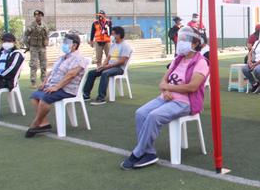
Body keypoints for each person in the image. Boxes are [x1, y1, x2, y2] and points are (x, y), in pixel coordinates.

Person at [120, 27, 209, 170]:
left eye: (184, 40)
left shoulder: (201, 62)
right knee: (141, 113)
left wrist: (169, 88)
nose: (179, 42)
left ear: (194, 44)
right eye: (179, 39)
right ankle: (149, 152)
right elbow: (162, 82)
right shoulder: (178, 60)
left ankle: (137, 153)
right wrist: (165, 89)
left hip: (185, 102)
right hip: (166, 97)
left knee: (154, 116)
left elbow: (192, 87)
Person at [25, 34, 87, 138]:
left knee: (45, 98)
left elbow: (71, 75)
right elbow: (52, 72)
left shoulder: (78, 58)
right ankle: (44, 123)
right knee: (35, 96)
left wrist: (56, 87)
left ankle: (35, 123)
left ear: (75, 45)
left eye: (66, 43)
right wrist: (44, 83)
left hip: (66, 89)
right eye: (64, 42)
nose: (64, 45)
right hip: (53, 86)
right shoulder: (62, 58)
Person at [82, 26, 132, 105]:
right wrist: (102, 66)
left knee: (105, 73)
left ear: (118, 35)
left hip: (119, 68)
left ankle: (101, 98)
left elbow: (121, 61)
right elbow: (108, 58)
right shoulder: (113, 45)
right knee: (92, 73)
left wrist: (107, 67)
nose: (111, 36)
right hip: (110, 66)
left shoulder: (126, 46)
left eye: (113, 34)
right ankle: (86, 95)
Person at [23, 10, 48, 88]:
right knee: (34, 65)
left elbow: (47, 35)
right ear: (34, 16)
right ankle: (33, 82)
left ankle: (43, 82)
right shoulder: (31, 25)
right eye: (36, 15)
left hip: (42, 47)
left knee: (43, 65)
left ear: (41, 16)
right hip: (34, 48)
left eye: (40, 15)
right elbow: (25, 36)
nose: (38, 17)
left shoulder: (44, 26)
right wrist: (28, 46)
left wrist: (46, 42)